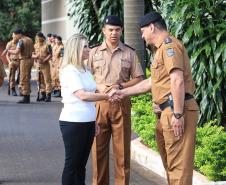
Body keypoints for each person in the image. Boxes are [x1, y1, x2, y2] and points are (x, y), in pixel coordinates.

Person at [112, 11, 199, 185]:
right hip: (166, 112)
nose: (143, 37)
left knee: (178, 167)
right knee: (172, 165)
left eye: (143, 32)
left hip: (175, 111)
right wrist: (122, 92)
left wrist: (178, 114)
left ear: (151, 27)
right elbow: (152, 82)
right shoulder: (160, 51)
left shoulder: (169, 47)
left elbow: (177, 80)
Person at [89, 15, 144, 185]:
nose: (114, 33)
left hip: (121, 106)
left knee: (122, 154)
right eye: (110, 30)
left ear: (122, 31)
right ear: (104, 31)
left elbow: (139, 78)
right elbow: (85, 76)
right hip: (99, 105)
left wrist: (121, 86)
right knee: (98, 153)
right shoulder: (93, 52)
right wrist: (98, 86)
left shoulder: (129, 52)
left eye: (117, 30)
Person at [59, 33, 110, 185]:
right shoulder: (69, 70)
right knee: (72, 164)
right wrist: (106, 97)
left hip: (87, 122)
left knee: (81, 165)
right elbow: (82, 95)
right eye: (85, 47)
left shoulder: (85, 70)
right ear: (76, 49)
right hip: (73, 122)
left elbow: (92, 93)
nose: (89, 49)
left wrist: (93, 121)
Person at [4, 28, 34, 103]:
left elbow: (16, 51)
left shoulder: (21, 41)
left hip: (24, 60)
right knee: (27, 77)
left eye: (14, 35)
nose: (14, 37)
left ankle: (26, 97)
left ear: (19, 34)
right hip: (30, 60)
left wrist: (8, 50)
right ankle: (27, 96)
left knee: (23, 78)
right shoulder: (30, 39)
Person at [32, 32, 52, 102]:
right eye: (37, 38)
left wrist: (45, 60)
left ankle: (48, 95)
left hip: (45, 64)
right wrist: (35, 57)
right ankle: (43, 94)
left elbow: (50, 55)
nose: (37, 39)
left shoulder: (47, 45)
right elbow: (32, 55)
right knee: (39, 80)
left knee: (47, 80)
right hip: (38, 65)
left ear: (42, 37)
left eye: (38, 37)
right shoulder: (35, 46)